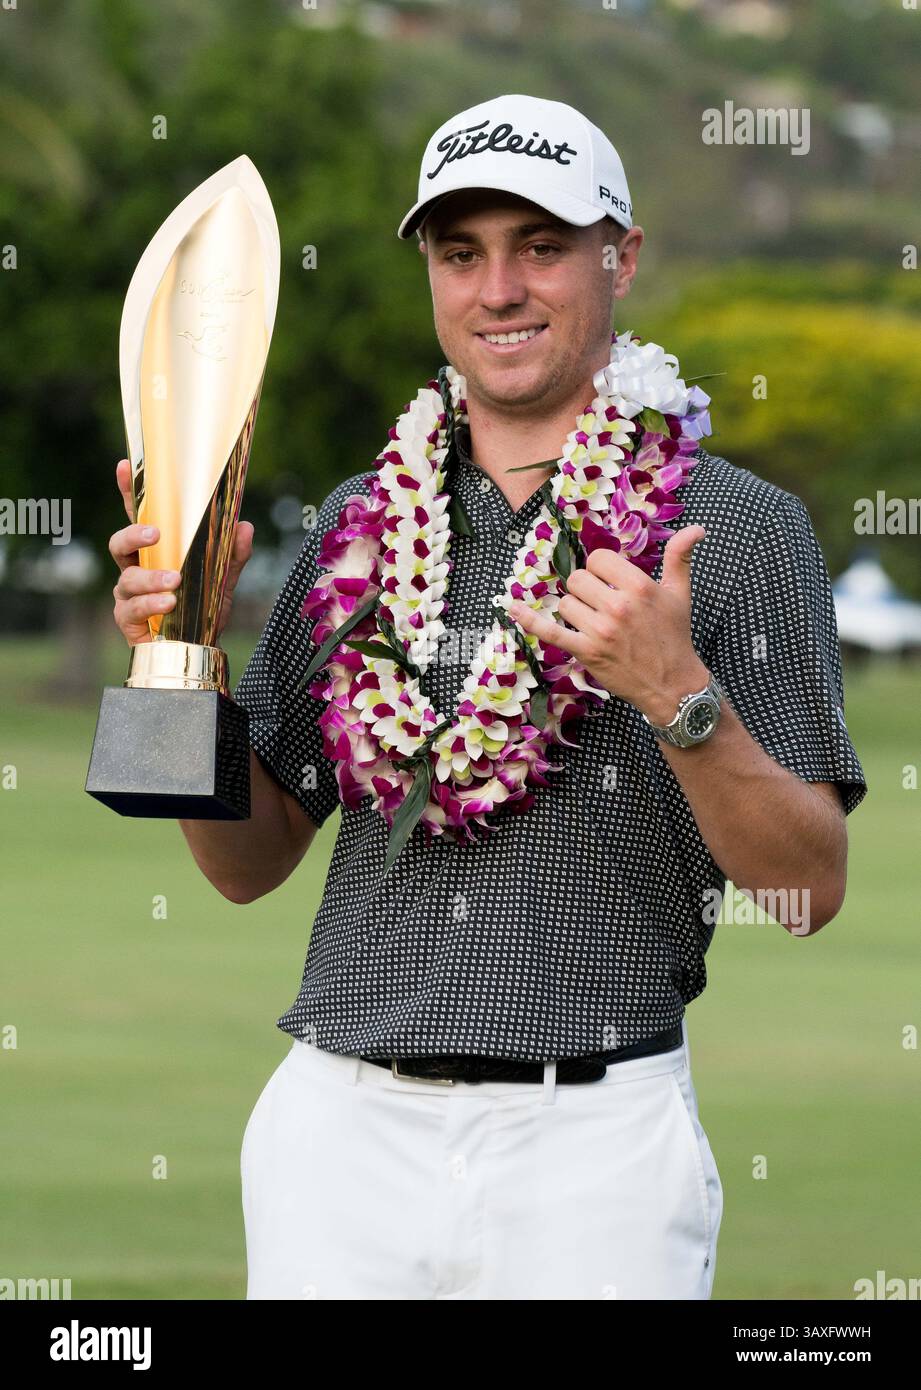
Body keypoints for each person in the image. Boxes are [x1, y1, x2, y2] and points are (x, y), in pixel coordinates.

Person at [108, 93, 868, 1300]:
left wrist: (679, 697)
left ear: (621, 257)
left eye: (542, 246)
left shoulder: (738, 530)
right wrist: (183, 654)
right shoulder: (362, 522)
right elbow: (246, 864)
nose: (498, 289)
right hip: (339, 1134)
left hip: (598, 1146)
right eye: (462, 254)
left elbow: (808, 888)